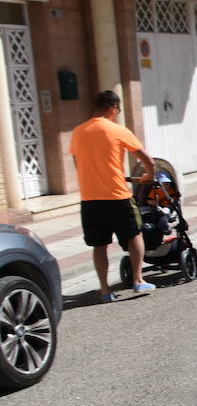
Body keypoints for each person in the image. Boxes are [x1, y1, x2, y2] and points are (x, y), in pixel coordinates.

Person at [69, 90, 157, 301]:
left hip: (90, 198)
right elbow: (148, 161)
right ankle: (138, 280)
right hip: (117, 195)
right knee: (134, 235)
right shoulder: (117, 130)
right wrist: (149, 176)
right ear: (112, 107)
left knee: (99, 245)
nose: (117, 113)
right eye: (118, 109)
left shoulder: (78, 131)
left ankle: (104, 290)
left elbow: (76, 163)